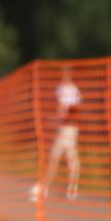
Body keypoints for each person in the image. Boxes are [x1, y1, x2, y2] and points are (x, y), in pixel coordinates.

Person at [30, 66, 82, 202]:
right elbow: (70, 110)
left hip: (67, 129)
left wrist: (54, 120)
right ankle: (71, 189)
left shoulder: (66, 90)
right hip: (70, 128)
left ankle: (46, 188)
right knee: (69, 159)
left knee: (56, 157)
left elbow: (65, 111)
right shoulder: (72, 90)